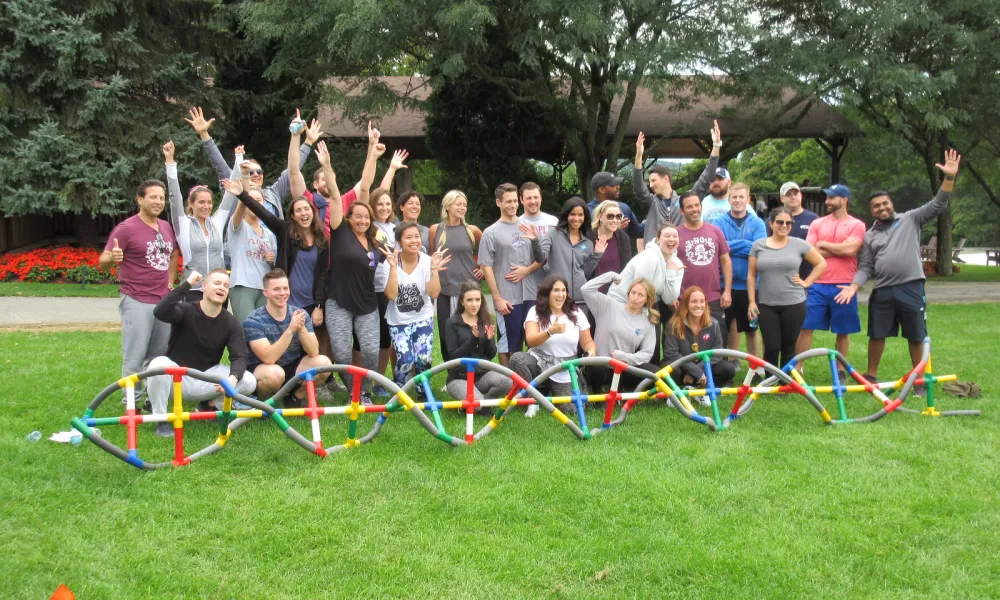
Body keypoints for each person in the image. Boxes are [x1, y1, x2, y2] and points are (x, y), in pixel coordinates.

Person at [835, 150, 961, 387]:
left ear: (891, 204)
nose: (881, 208)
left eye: (885, 203)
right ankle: (871, 376)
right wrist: (853, 287)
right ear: (871, 211)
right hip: (882, 291)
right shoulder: (870, 236)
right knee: (877, 334)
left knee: (915, 335)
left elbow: (938, 204)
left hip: (911, 287)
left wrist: (949, 178)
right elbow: (865, 266)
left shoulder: (911, 219)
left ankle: (919, 380)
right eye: (876, 206)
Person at [223, 117, 334, 317]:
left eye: (306, 209)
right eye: (298, 210)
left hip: (310, 302)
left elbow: (323, 276)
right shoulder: (285, 230)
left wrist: (319, 305)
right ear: (292, 215)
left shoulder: (322, 241)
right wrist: (242, 193)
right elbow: (262, 208)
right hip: (283, 298)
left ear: (313, 212)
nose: (303, 213)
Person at [98, 178, 179, 407]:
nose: (158, 202)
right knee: (134, 357)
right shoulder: (126, 229)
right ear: (140, 199)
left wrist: (170, 280)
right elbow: (102, 261)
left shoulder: (165, 227)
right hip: (136, 299)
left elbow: (173, 253)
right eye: (153, 197)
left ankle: (152, 401)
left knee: (159, 356)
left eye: (161, 198)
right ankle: (131, 404)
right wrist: (112, 258)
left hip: (163, 301)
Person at [147, 270, 257, 437]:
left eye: (226, 285)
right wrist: (187, 284)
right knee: (157, 364)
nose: (222, 288)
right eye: (217, 283)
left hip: (206, 378)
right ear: (204, 287)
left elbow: (239, 356)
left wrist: (233, 379)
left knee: (248, 380)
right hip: (176, 380)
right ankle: (161, 420)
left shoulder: (231, 323)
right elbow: (160, 311)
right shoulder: (185, 310)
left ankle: (210, 406)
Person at [315, 172, 386, 403]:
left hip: (367, 304)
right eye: (358, 217)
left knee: (371, 352)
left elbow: (399, 257)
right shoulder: (341, 233)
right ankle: (352, 392)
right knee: (343, 353)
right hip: (339, 302)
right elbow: (335, 197)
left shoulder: (376, 242)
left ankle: (364, 391)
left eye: (367, 217)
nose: (363, 221)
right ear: (348, 218)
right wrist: (326, 166)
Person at [185, 106, 321, 219]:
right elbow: (219, 165)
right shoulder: (234, 190)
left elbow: (293, 169)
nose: (256, 174)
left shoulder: (273, 193)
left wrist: (308, 142)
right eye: (251, 172)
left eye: (259, 171)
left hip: (271, 251)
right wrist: (204, 135)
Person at [796, 184, 867, 369]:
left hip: (844, 285)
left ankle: (841, 370)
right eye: (827, 198)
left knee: (843, 331)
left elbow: (852, 249)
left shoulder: (857, 225)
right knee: (806, 327)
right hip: (817, 283)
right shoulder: (818, 223)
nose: (827, 201)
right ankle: (797, 369)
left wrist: (824, 244)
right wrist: (840, 248)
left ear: (844, 200)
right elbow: (809, 252)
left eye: (832, 198)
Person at [747, 207, 827, 369]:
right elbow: (751, 275)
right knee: (771, 346)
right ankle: (769, 382)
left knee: (789, 347)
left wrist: (806, 282)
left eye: (788, 223)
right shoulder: (758, 245)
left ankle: (785, 383)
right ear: (771, 224)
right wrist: (751, 302)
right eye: (780, 222)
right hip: (766, 304)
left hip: (794, 303)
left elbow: (821, 263)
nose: (784, 225)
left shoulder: (799, 244)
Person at [162, 140, 238, 302]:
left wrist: (238, 160)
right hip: (193, 289)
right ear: (191, 203)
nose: (206, 206)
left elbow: (231, 193)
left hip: (218, 289)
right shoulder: (183, 224)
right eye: (201, 202)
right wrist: (170, 161)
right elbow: (174, 195)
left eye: (209, 202)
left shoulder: (217, 221)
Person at [510, 276, 597, 416]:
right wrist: (550, 331)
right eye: (556, 290)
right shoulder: (535, 311)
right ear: (547, 293)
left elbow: (587, 342)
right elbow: (530, 340)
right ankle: (532, 401)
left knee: (572, 410)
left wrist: (591, 350)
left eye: (563, 290)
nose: (561, 294)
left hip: (564, 366)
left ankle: (549, 391)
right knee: (518, 359)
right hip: (538, 361)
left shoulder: (577, 313)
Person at [244, 269, 332, 405]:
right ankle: (262, 404)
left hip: (292, 368)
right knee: (274, 374)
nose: (282, 293)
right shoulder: (253, 320)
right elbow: (269, 358)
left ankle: (295, 398)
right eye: (276, 289)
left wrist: (301, 328)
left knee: (324, 363)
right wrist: (290, 330)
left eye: (285, 288)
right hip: (263, 370)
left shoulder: (300, 314)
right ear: (265, 292)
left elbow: (313, 352)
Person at [633, 121, 721, 248]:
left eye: (653, 180)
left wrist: (716, 146)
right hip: (655, 260)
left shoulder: (684, 201)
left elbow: (706, 179)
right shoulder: (650, 203)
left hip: (680, 258)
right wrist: (638, 157)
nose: (650, 185)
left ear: (666, 179)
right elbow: (638, 189)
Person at [384, 222, 451, 387]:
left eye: (416, 236)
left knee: (423, 358)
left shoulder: (427, 261)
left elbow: (434, 293)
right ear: (399, 242)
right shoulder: (390, 262)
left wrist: (434, 268)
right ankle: (400, 389)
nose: (414, 241)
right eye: (408, 237)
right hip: (398, 320)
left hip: (423, 316)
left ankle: (423, 391)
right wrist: (393, 268)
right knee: (405, 359)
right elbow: (391, 295)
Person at [608, 223, 685, 363]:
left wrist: (671, 272)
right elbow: (640, 290)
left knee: (650, 342)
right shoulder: (649, 257)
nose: (671, 239)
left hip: (647, 304)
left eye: (675, 236)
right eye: (667, 236)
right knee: (628, 342)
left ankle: (648, 377)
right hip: (622, 303)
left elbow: (669, 299)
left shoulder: (677, 263)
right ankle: (617, 379)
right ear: (657, 239)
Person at [480, 183, 536, 365]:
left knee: (532, 341)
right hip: (508, 299)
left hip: (530, 295)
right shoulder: (490, 232)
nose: (512, 205)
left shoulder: (527, 227)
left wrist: (527, 270)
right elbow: (486, 267)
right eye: (508, 201)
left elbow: (541, 256)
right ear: (498, 202)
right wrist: (497, 299)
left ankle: (528, 380)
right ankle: (510, 383)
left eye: (514, 201)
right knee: (509, 344)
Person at [523, 197, 604, 312]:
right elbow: (540, 257)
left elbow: (585, 272)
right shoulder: (553, 233)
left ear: (585, 216)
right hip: (558, 298)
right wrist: (535, 241)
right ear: (566, 215)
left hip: (581, 300)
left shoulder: (588, 243)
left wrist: (597, 254)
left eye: (580, 215)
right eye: (573, 214)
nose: (576, 218)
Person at [429, 190, 483, 361]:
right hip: (444, 289)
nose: (463, 208)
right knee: (446, 334)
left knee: (470, 332)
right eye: (459, 204)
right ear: (448, 206)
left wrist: (482, 267)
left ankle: (473, 372)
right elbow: (432, 257)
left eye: (465, 205)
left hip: (468, 290)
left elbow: (488, 252)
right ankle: (452, 374)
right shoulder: (435, 230)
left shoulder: (472, 230)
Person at [581, 273, 658, 391]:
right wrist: (610, 276)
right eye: (633, 292)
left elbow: (647, 353)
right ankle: (598, 394)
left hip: (623, 367)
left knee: (656, 373)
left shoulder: (647, 321)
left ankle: (625, 390)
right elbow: (585, 289)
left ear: (647, 300)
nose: (635, 297)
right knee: (597, 368)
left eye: (641, 295)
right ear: (628, 292)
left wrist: (625, 357)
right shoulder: (608, 305)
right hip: (601, 365)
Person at [714, 182, 766, 357]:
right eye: (734, 197)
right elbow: (717, 248)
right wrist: (746, 245)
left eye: (741, 197)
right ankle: (730, 363)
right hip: (723, 284)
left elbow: (759, 249)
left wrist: (728, 247)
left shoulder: (758, 223)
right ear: (729, 199)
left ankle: (756, 366)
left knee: (752, 327)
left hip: (750, 285)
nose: (737, 200)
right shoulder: (718, 222)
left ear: (748, 199)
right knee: (727, 326)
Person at [443, 282, 513, 405]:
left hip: (482, 375)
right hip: (460, 377)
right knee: (476, 404)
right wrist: (473, 340)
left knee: (507, 382)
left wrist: (486, 340)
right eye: (469, 300)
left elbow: (491, 354)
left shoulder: (485, 320)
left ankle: (484, 402)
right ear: (461, 302)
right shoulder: (452, 323)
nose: (474, 304)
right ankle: (478, 404)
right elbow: (453, 356)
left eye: (477, 299)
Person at [662, 287, 736, 393]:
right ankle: (682, 388)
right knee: (669, 369)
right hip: (682, 367)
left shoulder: (713, 324)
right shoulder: (674, 325)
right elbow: (671, 354)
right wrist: (694, 371)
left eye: (702, 301)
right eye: (694, 301)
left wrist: (698, 371)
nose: (699, 305)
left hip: (704, 367)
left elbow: (717, 354)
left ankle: (700, 385)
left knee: (727, 368)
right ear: (686, 303)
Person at [226, 175, 278, 323]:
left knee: (263, 332)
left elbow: (274, 266)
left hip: (264, 288)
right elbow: (242, 204)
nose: (254, 204)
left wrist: (271, 261)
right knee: (247, 330)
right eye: (251, 201)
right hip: (243, 285)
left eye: (259, 201)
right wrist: (244, 174)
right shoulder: (238, 227)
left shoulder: (269, 233)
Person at [676, 191, 733, 322]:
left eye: (697, 205)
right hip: (685, 297)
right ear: (682, 211)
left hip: (713, 297)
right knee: (688, 339)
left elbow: (726, 261)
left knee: (715, 339)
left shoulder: (715, 231)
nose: (694, 209)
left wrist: (727, 291)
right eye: (689, 207)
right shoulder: (676, 234)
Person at [775, 181, 820, 279]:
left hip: (807, 277)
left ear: (801, 195)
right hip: (780, 277)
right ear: (782, 198)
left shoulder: (814, 219)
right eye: (788, 194)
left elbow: (819, 247)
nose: (793, 197)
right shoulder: (773, 220)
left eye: (796, 194)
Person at [587, 200, 633, 293]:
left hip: (615, 294)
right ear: (600, 217)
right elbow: (583, 271)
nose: (615, 220)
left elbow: (626, 269)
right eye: (610, 216)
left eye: (618, 216)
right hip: (592, 293)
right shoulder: (588, 237)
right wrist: (596, 254)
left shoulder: (623, 238)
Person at [586, 172, 644, 240]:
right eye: (613, 185)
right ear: (602, 190)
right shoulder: (586, 211)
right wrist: (615, 230)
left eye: (618, 216)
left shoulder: (624, 208)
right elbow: (584, 239)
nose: (618, 186)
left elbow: (637, 232)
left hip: (621, 250)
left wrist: (654, 217)